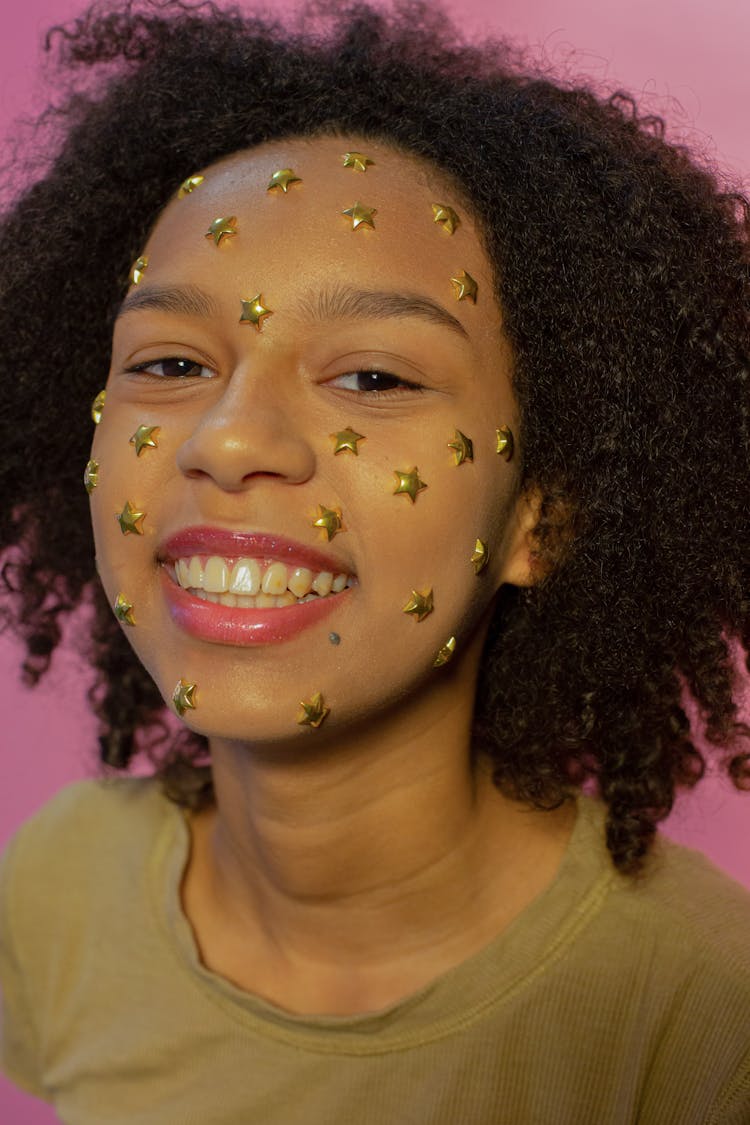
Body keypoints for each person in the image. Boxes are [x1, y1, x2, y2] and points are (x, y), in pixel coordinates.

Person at [1, 1, 749, 1121]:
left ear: (542, 517)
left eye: (375, 381)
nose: (231, 440)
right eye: (167, 360)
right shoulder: (57, 890)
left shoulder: (700, 1011)